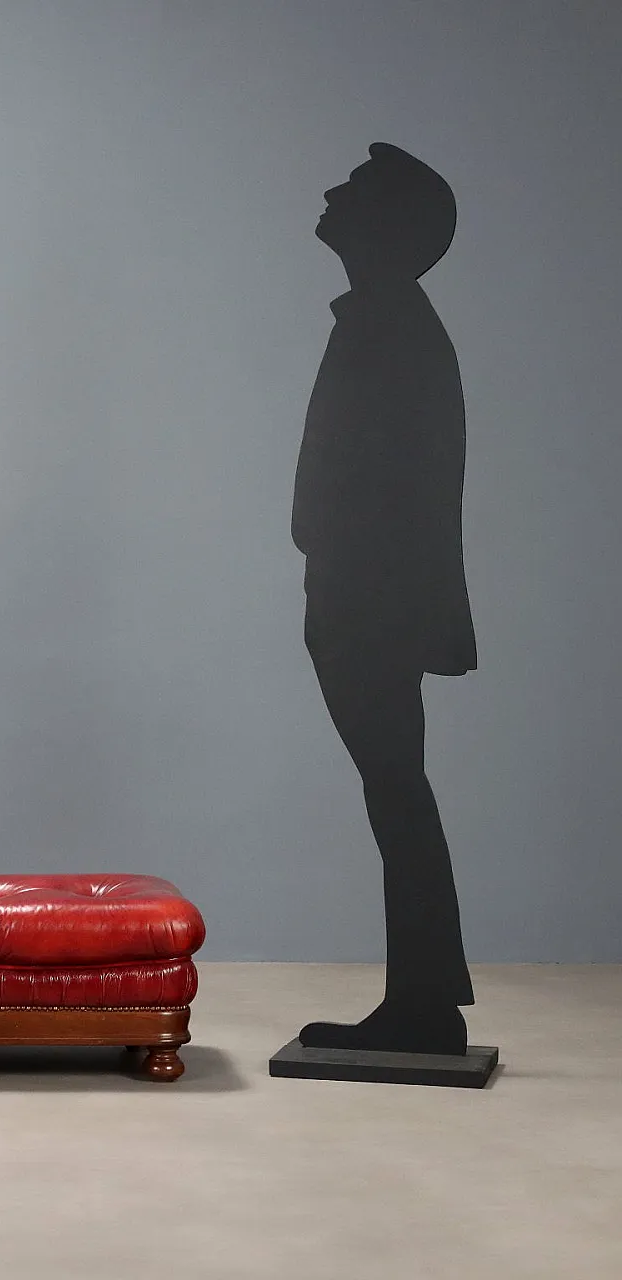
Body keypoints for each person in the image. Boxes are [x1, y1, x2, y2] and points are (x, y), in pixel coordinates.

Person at [291, 143, 476, 1055]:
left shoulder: (392, 325)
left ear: (388, 224)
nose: (332, 190)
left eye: (355, 188)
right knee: (396, 788)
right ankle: (426, 996)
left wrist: (354, 585)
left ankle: (426, 1002)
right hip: (364, 595)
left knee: (397, 789)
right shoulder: (385, 319)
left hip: (371, 601)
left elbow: (405, 484)